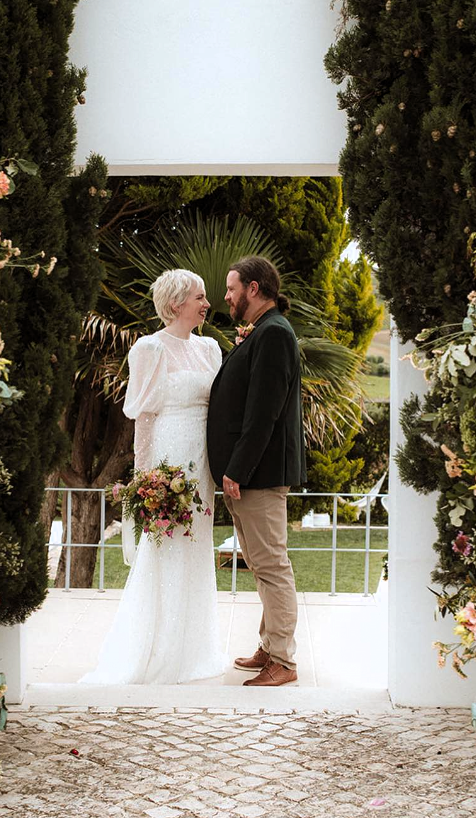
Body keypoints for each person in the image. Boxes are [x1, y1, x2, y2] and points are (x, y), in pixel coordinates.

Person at [79, 269, 226, 685]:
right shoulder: (149, 348)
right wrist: (145, 476)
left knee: (196, 544)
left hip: (203, 460)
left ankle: (194, 649)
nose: (206, 303)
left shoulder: (211, 348)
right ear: (177, 303)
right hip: (169, 451)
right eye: (199, 296)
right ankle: (157, 649)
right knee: (165, 544)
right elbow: (143, 415)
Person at [207, 256, 306, 687]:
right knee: (260, 563)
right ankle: (269, 646)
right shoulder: (263, 332)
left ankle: (283, 660)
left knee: (271, 564)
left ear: (253, 288)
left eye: (231, 289)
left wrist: (238, 469)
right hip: (249, 474)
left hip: (259, 473)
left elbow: (263, 412)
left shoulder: (275, 335)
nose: (225, 297)